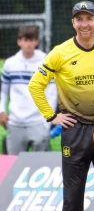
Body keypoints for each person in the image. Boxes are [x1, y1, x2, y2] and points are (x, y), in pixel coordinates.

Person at [28, 1, 94, 211]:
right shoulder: (60, 52)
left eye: (89, 18)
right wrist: (51, 116)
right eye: (79, 19)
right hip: (75, 129)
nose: (84, 24)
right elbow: (35, 85)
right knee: (72, 194)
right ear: (73, 23)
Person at [0, 26, 57, 154]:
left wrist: (47, 120)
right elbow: (3, 92)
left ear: (36, 42)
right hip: (15, 123)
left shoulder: (46, 62)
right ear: (19, 41)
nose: (28, 44)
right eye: (25, 40)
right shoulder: (10, 64)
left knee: (41, 165)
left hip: (39, 122)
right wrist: (2, 110)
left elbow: (52, 94)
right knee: (13, 167)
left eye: (32, 40)